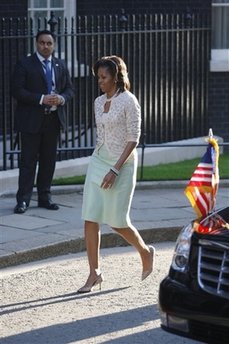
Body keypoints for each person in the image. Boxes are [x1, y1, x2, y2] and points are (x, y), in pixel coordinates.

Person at [78, 55, 155, 293]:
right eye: (98, 77)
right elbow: (101, 136)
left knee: (117, 222)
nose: (99, 81)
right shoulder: (98, 102)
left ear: (116, 77)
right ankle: (94, 273)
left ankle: (145, 251)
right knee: (90, 217)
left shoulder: (129, 101)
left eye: (103, 77)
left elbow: (134, 138)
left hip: (122, 164)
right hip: (98, 160)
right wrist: (102, 165)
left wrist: (115, 169)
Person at [12, 29, 74, 214]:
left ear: (54, 45)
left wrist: (61, 98)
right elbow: (16, 90)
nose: (45, 46)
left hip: (53, 121)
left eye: (49, 43)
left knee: (49, 162)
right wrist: (41, 99)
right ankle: (23, 200)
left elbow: (70, 90)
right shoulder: (25, 64)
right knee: (28, 162)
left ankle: (44, 198)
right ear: (36, 44)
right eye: (42, 43)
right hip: (31, 121)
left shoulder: (60, 65)